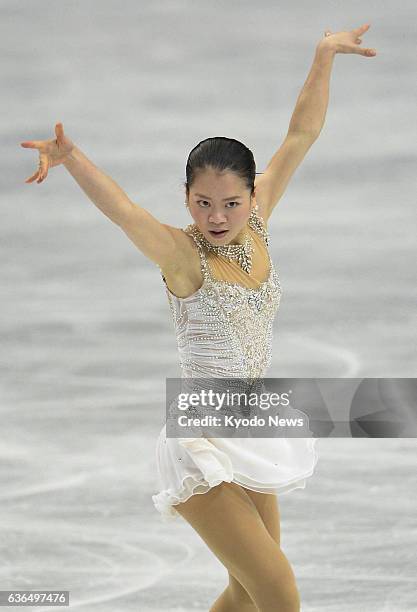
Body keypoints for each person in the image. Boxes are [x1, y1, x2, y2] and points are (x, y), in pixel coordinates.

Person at [20, 24, 376, 612]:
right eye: (202, 202)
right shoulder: (184, 257)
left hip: (253, 429)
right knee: (279, 592)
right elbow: (127, 213)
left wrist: (323, 55)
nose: (216, 216)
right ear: (186, 197)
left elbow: (300, 133)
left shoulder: (257, 224)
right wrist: (73, 158)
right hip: (201, 437)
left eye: (231, 202)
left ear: (253, 198)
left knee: (243, 595)